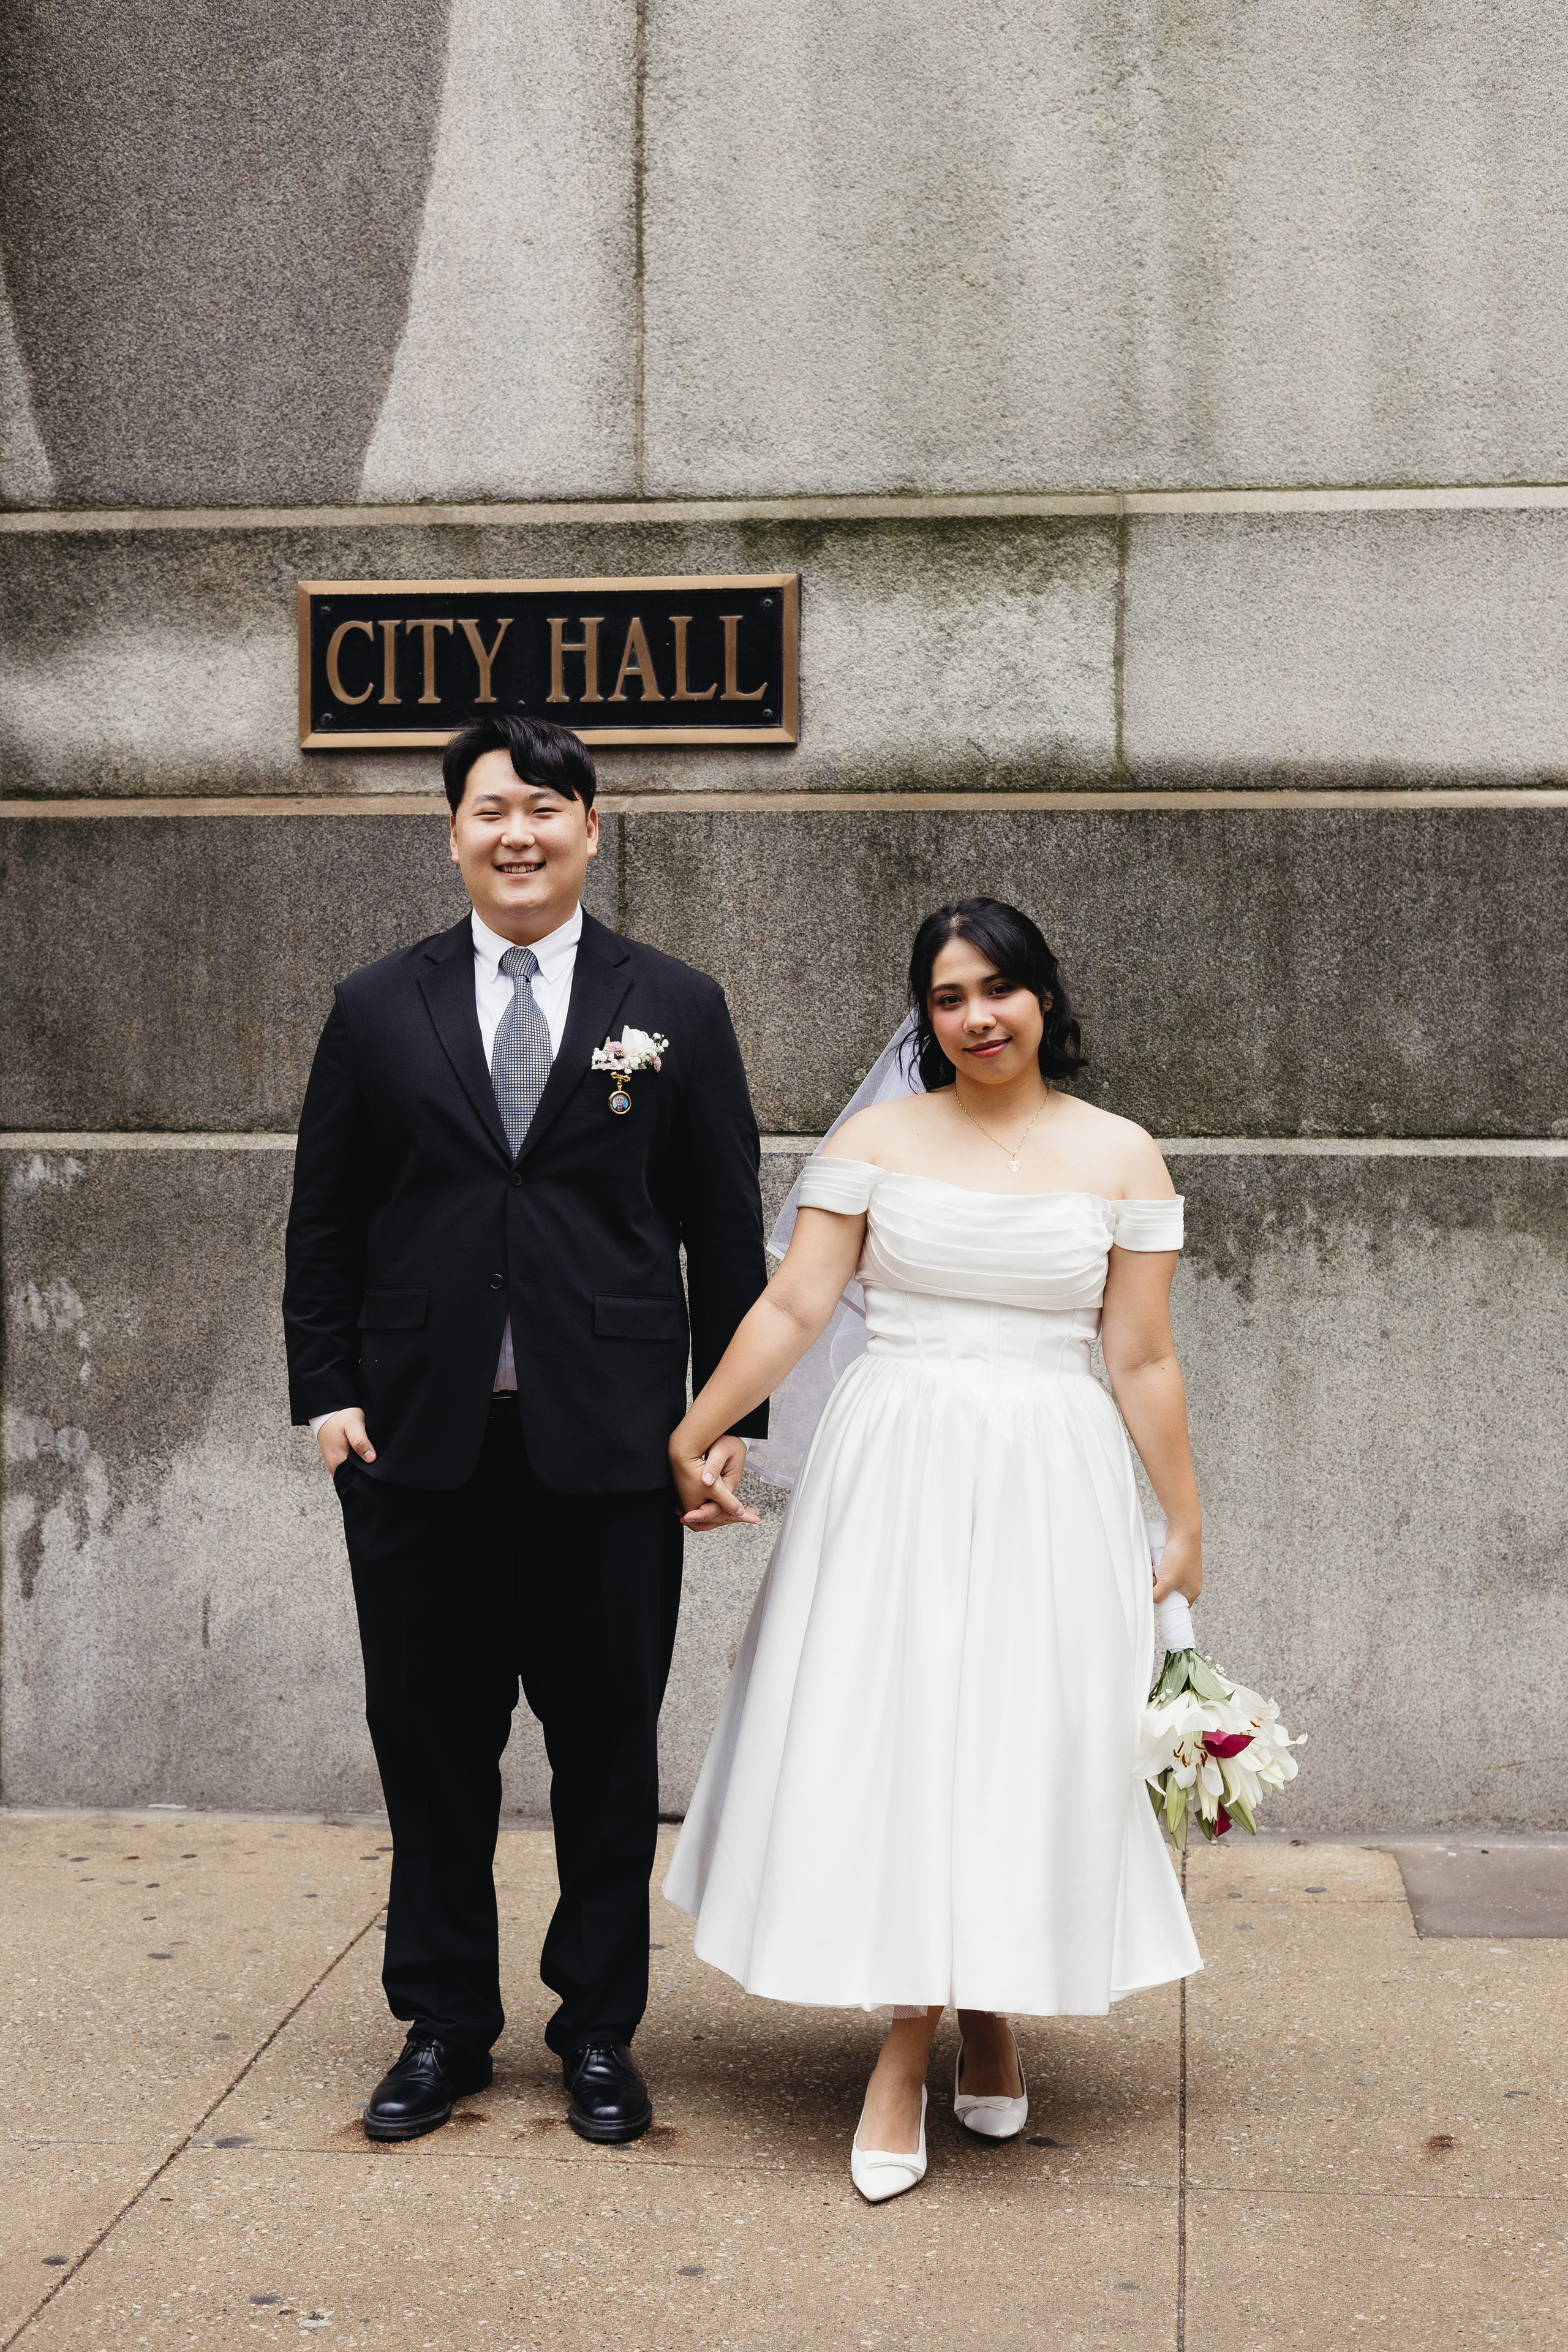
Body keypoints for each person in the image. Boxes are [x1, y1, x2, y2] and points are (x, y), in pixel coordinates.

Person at [663, 897, 1204, 2203]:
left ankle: (996, 2001)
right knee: (901, 1735)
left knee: (1023, 1739)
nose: (976, 1018)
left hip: (1050, 1471)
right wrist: (696, 1426)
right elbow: (796, 1302)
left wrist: (1182, 1518)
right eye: (948, 997)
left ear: (1044, 998)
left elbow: (1136, 1353)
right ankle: (907, 2041)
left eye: (998, 990)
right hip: (895, 1464)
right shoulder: (875, 1140)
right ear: (924, 1016)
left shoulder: (1121, 1154)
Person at [282, 714, 767, 2146]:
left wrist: (729, 1417)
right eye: (491, 810)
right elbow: (327, 1217)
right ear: (451, 832)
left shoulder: (671, 1000)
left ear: (590, 828)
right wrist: (327, 1391)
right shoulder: (378, 1005)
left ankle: (597, 2031)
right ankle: (444, 2025)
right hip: (418, 1446)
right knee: (430, 1744)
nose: (518, 834)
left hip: (613, 1446)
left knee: (606, 1747)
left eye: (546, 809)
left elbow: (722, 1234)